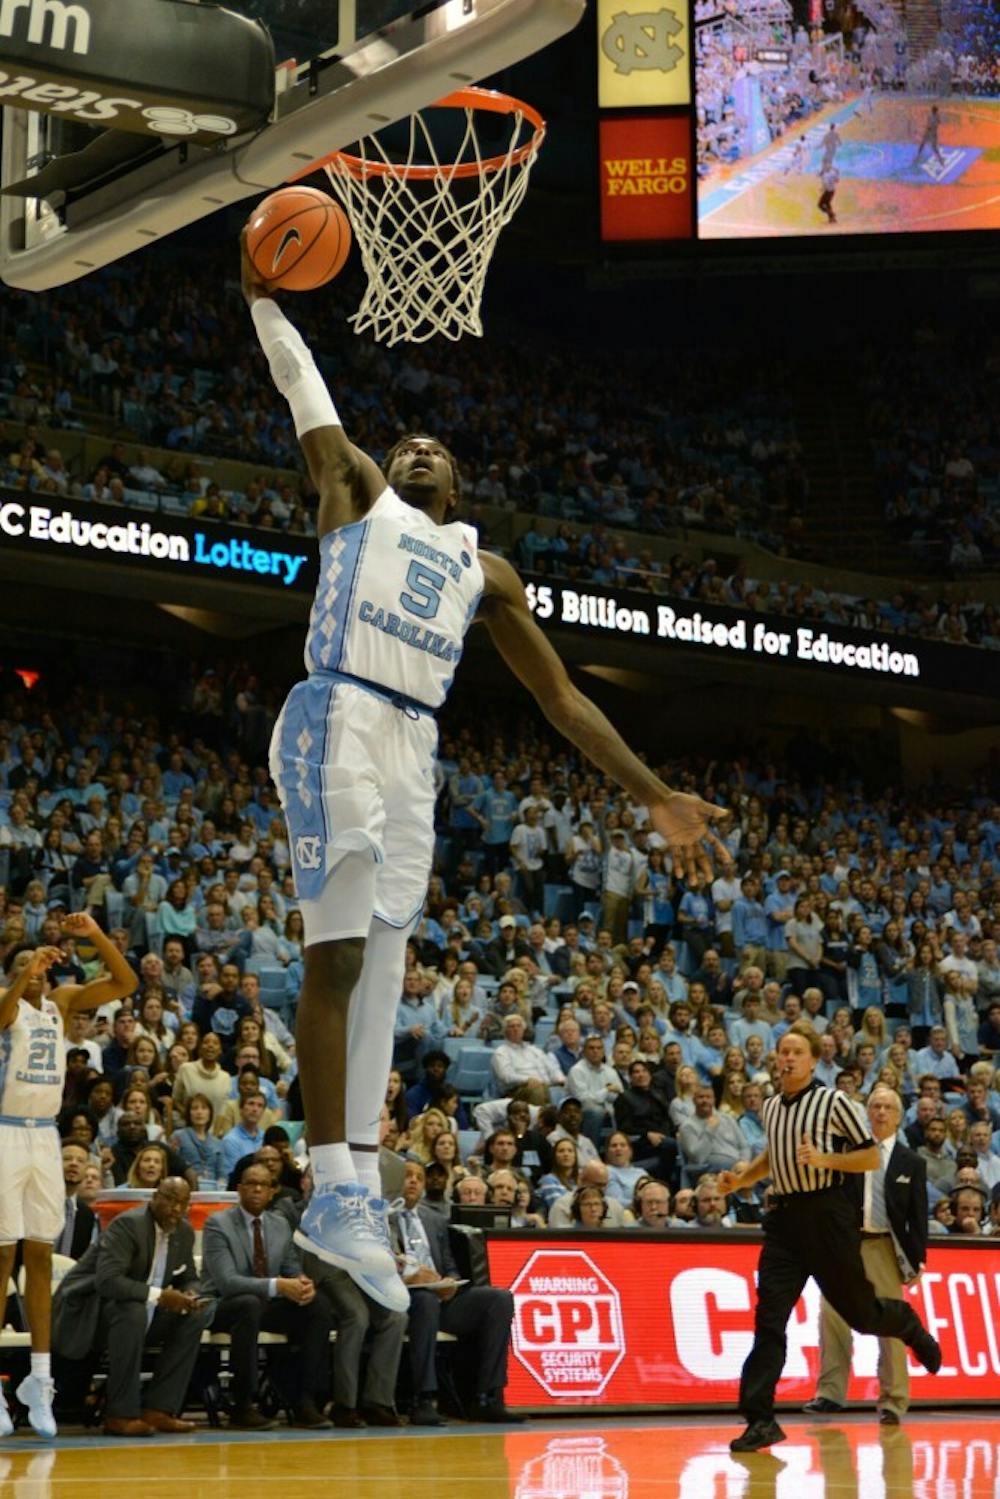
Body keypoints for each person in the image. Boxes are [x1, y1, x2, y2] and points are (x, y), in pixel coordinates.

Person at [241, 238, 726, 1311]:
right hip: (339, 710)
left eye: (432, 448)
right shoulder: (355, 496)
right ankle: (327, 1181)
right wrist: (266, 303)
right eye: (402, 441)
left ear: (461, 484)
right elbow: (307, 399)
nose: (412, 451)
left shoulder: (483, 567)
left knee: (378, 967)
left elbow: (563, 700)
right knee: (330, 958)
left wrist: (651, 791)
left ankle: (355, 1187)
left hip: (417, 747)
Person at [717, 1023, 941, 1452]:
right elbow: (774, 1155)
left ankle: (909, 1326)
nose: (788, 1058)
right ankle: (760, 1418)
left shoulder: (833, 1101)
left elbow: (870, 1155)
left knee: (860, 1315)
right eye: (783, 1050)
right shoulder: (770, 1106)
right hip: (784, 1223)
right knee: (768, 1320)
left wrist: (823, 1158)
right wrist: (742, 1180)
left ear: (814, 1059)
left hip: (827, 1216)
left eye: (797, 1052)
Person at [0, 912, 137, 1439]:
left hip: (43, 1137)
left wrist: (96, 936)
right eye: (22, 963)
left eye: (38, 965)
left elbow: (124, 982)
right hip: (7, 1132)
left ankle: (39, 1378)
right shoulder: (9, 1003)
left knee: (38, 1254)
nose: (33, 969)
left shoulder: (59, 1005)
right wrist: (22, 970)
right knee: (3, 1255)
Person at [804, 1085, 928, 1424]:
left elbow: (918, 1216)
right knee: (831, 1316)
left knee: (891, 1323)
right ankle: (829, 1393)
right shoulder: (847, 1153)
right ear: (866, 1112)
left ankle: (893, 1400)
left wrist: (918, 1260)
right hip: (845, 1245)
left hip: (885, 1246)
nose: (881, 1112)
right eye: (875, 1106)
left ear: (899, 1116)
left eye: (888, 1107)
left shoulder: (911, 1162)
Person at [52, 1178, 212, 1436]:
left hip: (143, 1312)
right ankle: (120, 1415)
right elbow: (108, 1282)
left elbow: (189, 1276)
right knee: (132, 1312)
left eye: (183, 1203)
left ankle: (159, 1409)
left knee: (193, 1317)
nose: (176, 1208)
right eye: (170, 1199)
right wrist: (160, 1296)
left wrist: (191, 1292)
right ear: (154, 1198)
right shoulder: (128, 1225)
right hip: (91, 1310)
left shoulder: (183, 1231)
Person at [200, 1158, 334, 1430]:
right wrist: (279, 1286)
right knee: (248, 1304)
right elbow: (227, 1282)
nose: (257, 1189)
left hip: (266, 1306)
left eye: (264, 1185)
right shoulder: (218, 1224)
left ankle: (304, 1400)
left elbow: (291, 1268)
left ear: (273, 1191)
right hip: (224, 1306)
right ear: (239, 1188)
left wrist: (302, 1284)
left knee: (317, 1305)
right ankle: (242, 1405)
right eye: (251, 1183)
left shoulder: (279, 1224)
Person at [390, 1161, 521, 1424]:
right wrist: (412, 1278)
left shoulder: (435, 1220)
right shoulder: (383, 1218)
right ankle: (423, 1398)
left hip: (441, 1298)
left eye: (419, 1177)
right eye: (407, 1176)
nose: (414, 1181)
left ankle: (487, 1396)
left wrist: (450, 1280)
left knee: (499, 1299)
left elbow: (449, 1264)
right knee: (425, 1300)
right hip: (403, 1298)